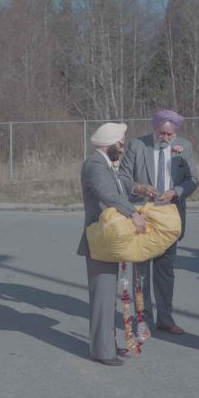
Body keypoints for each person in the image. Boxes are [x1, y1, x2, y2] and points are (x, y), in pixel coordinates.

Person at [118, 109, 198, 333]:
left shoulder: (185, 146)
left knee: (165, 272)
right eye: (162, 133)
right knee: (141, 273)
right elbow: (123, 177)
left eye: (170, 135)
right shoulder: (137, 145)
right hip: (142, 217)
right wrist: (138, 187)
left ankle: (165, 319)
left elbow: (193, 179)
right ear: (155, 129)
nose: (165, 138)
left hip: (169, 219)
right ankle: (144, 320)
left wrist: (175, 191)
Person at [78, 122, 147, 366]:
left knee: (108, 298)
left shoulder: (106, 164)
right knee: (102, 297)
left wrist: (140, 189)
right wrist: (133, 214)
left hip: (108, 241)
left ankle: (107, 344)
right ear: (110, 144)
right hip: (100, 241)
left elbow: (120, 187)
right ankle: (101, 351)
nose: (123, 146)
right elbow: (109, 194)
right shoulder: (95, 165)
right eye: (121, 142)